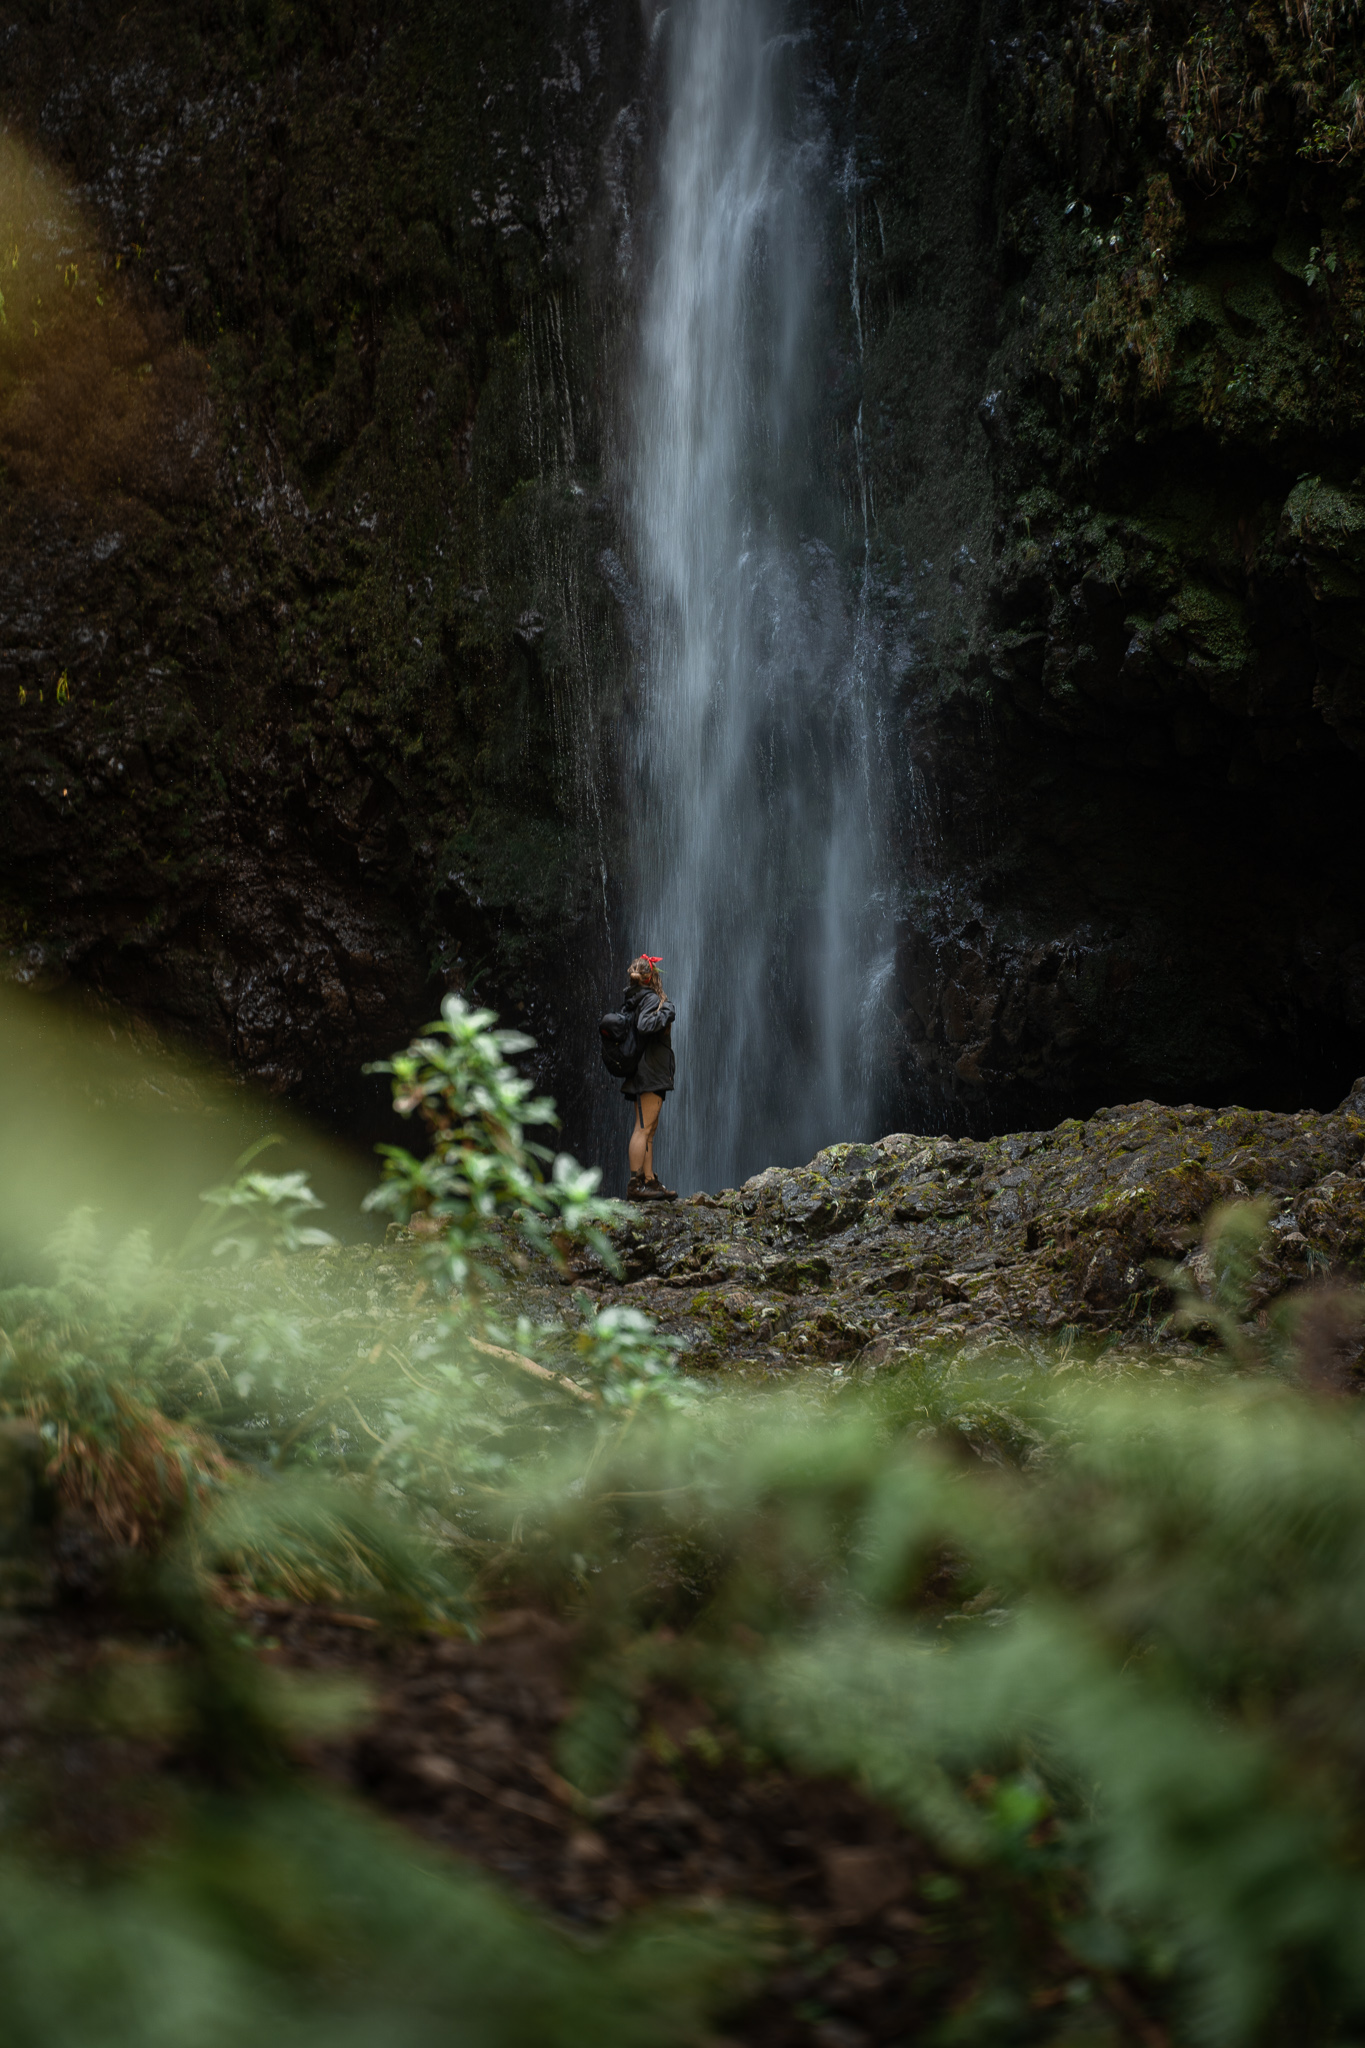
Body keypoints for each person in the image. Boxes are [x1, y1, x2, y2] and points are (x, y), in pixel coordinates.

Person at [621, 954, 677, 1202]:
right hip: (649, 1071)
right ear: (651, 977)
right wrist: (667, 1011)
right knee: (643, 1129)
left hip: (643, 1070)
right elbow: (645, 1026)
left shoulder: (634, 1000)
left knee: (649, 1130)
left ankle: (649, 1179)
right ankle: (635, 1184)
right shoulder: (651, 999)